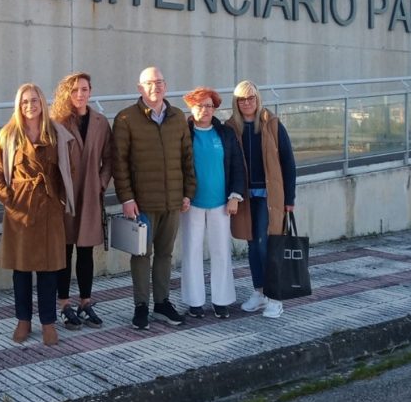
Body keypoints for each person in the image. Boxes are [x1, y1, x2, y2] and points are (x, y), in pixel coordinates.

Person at [0, 83, 75, 346]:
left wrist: (62, 201)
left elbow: (65, 170)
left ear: (42, 103)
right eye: (25, 101)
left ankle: (48, 323)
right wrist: (8, 197)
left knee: (49, 269)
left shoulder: (55, 132)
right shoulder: (9, 135)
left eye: (34, 100)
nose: (30, 105)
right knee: (22, 270)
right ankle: (23, 321)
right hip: (21, 210)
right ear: (19, 104)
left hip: (49, 209)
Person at [112, 66, 196, 330]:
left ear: (166, 86)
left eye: (159, 82)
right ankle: (141, 306)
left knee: (165, 254)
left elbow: (187, 159)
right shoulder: (126, 119)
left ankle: (162, 303)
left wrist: (187, 193)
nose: (155, 87)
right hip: (142, 203)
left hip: (172, 201)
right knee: (140, 254)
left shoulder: (178, 117)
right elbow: (120, 163)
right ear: (140, 88)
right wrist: (126, 198)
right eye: (149, 83)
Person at [227, 80, 297, 319]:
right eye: (242, 100)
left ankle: (275, 297)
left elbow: (288, 162)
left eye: (251, 98)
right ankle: (259, 292)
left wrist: (290, 197)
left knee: (266, 244)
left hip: (270, 196)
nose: (247, 103)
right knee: (252, 244)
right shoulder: (231, 127)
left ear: (258, 99)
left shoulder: (271, 124)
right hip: (244, 196)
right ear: (236, 103)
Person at [50, 72, 114, 329]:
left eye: (84, 89)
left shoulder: (100, 121)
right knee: (65, 250)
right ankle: (64, 304)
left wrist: (101, 181)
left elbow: (110, 157)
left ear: (91, 91)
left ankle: (85, 302)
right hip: (66, 196)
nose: (80, 94)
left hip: (90, 193)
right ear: (67, 92)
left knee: (86, 251)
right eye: (75, 89)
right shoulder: (57, 122)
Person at [180, 87, 246, 319]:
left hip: (221, 204)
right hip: (192, 204)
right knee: (192, 251)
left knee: (221, 252)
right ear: (191, 107)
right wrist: (182, 195)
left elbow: (238, 165)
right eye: (200, 105)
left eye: (209, 106)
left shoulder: (225, 133)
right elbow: (177, 167)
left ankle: (221, 300)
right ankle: (194, 301)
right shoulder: (184, 133)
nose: (205, 110)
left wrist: (235, 196)